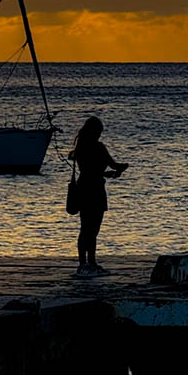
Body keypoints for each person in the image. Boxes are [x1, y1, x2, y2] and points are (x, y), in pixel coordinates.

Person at [68, 116, 128, 278]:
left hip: (83, 187)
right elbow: (113, 165)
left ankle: (83, 264)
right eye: (99, 132)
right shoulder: (99, 147)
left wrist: (104, 172)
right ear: (95, 132)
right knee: (93, 229)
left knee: (84, 228)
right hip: (95, 190)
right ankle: (91, 262)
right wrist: (121, 169)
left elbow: (87, 169)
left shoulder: (80, 147)